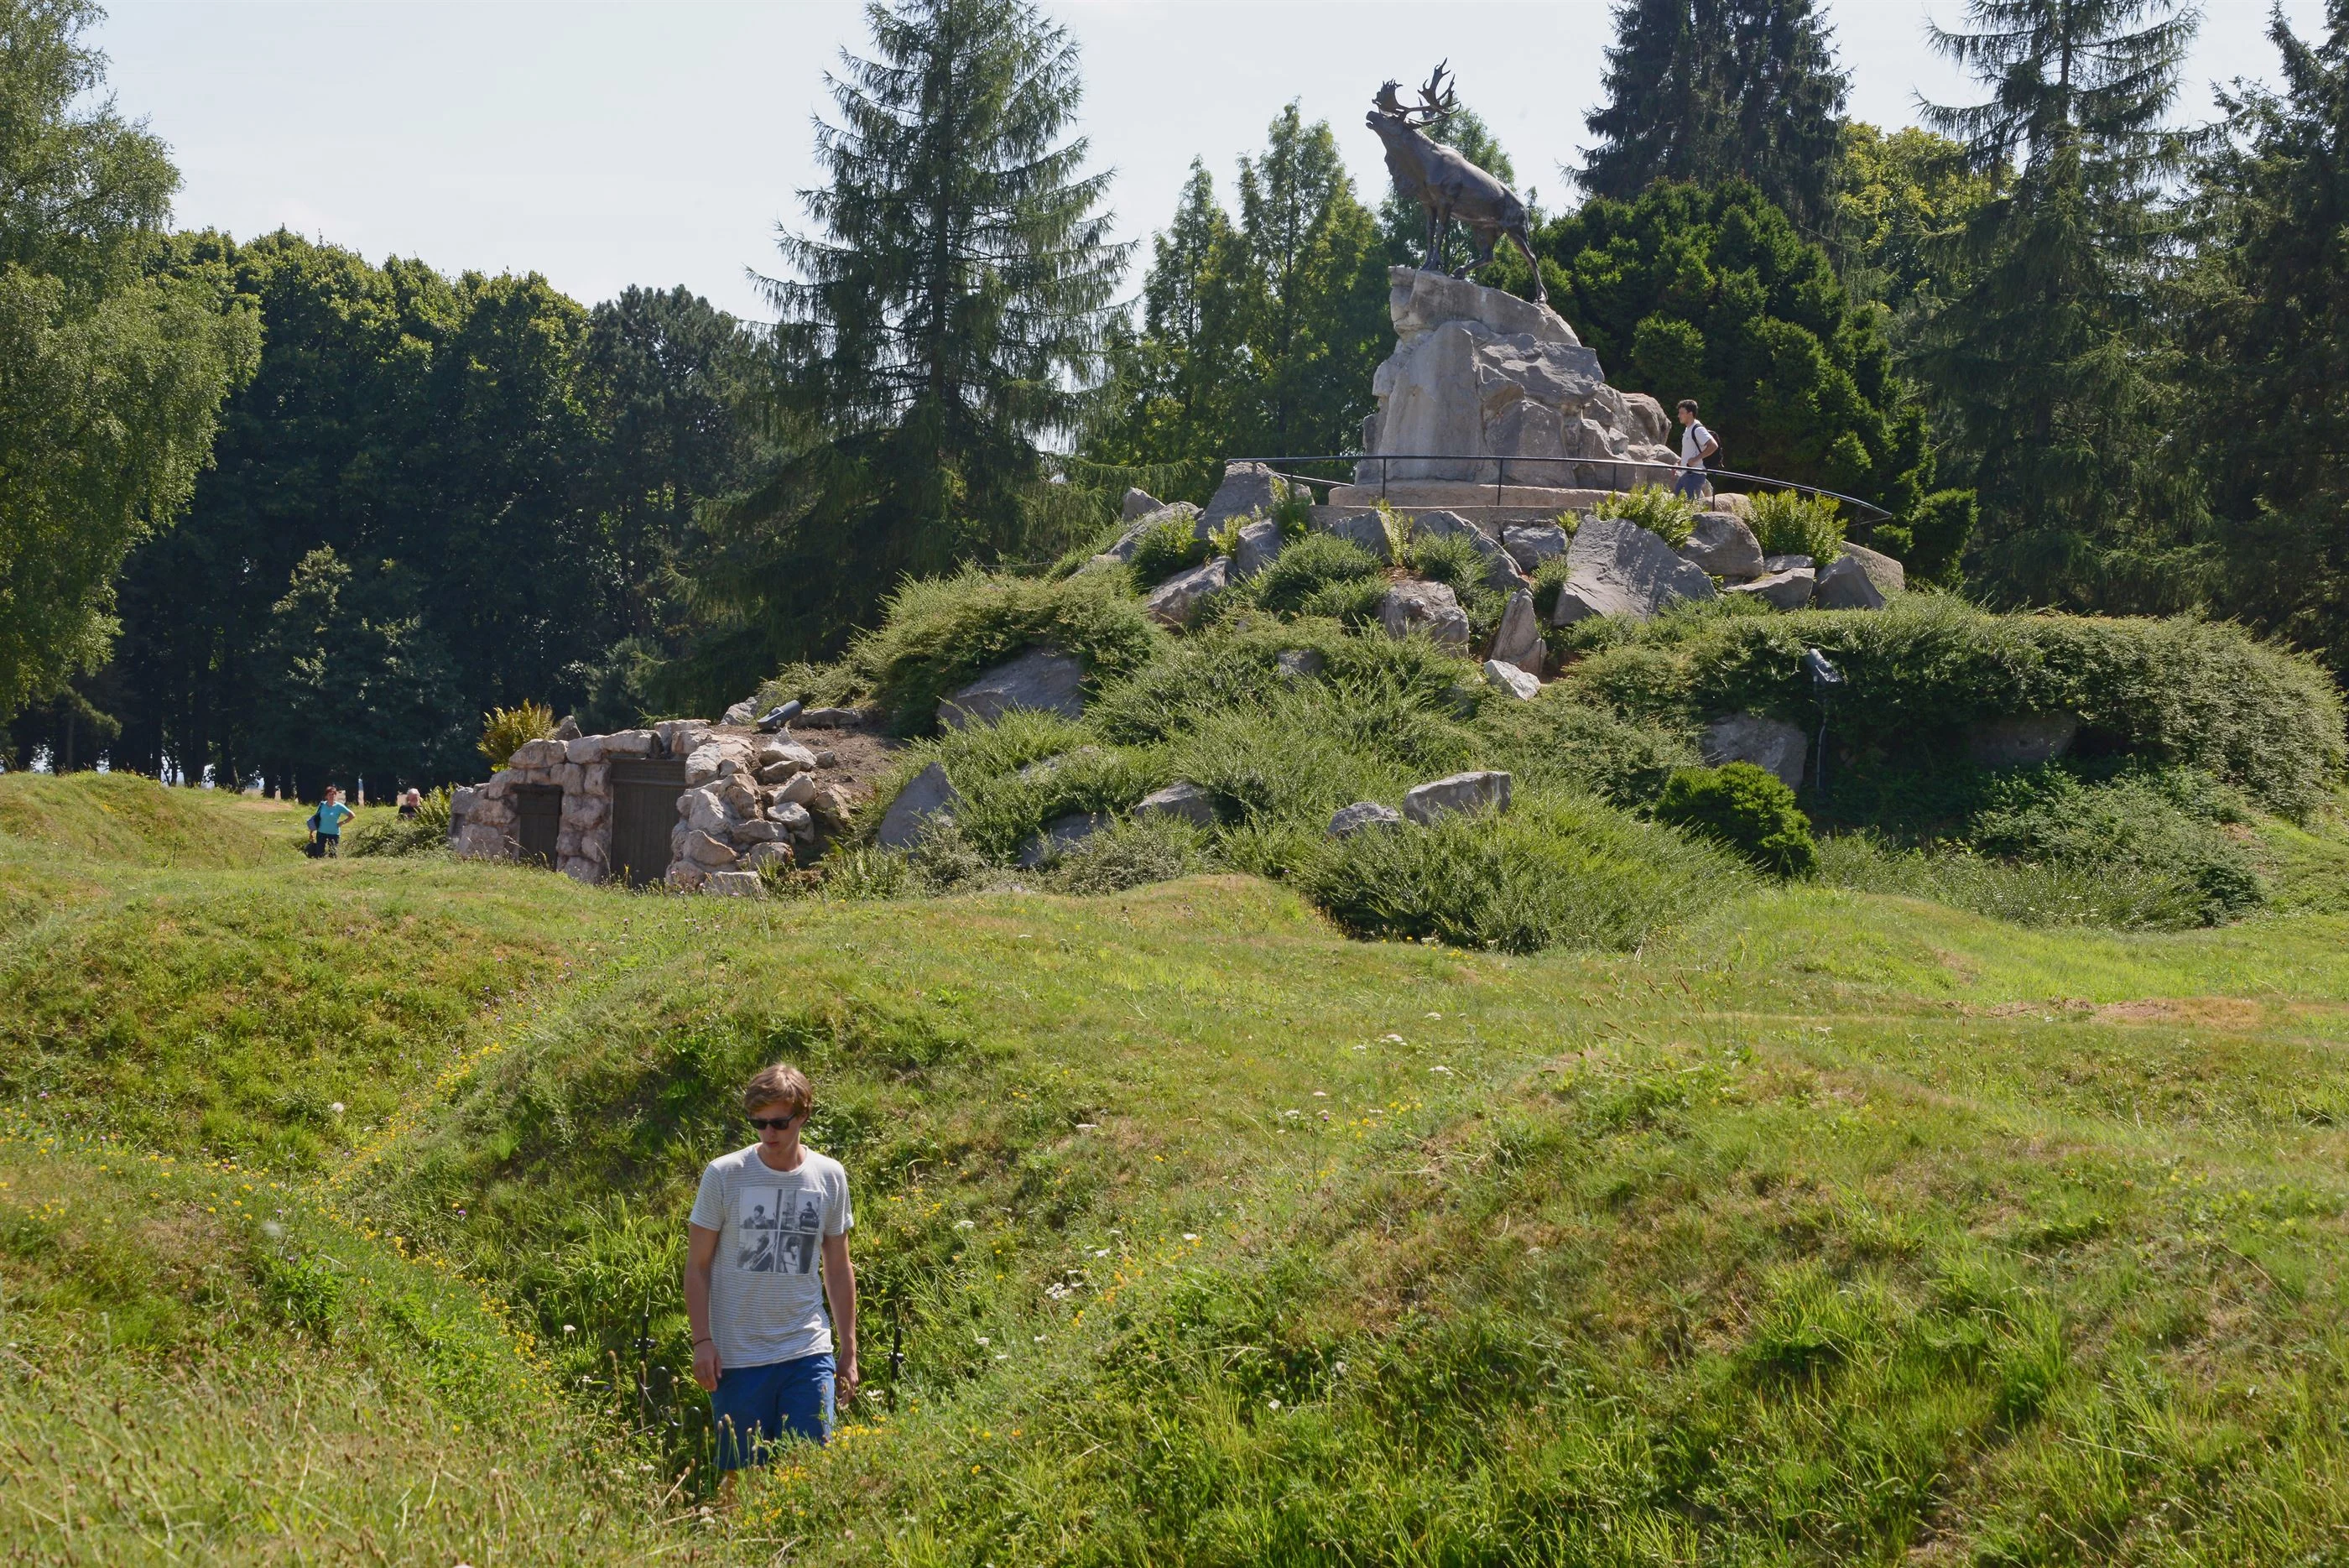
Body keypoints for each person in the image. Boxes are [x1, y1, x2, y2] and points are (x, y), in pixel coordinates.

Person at [686, 1064, 857, 1498]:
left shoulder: (829, 1176)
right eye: (758, 1123)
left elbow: (837, 1267)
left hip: (806, 1349)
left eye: (779, 1122)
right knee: (741, 1485)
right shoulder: (724, 1174)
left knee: (811, 1476)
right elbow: (698, 1265)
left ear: (803, 1115)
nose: (768, 1132)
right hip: (738, 1357)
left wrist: (849, 1350)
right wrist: (702, 1341)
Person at [1674, 399, 1719, 501]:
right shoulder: (1688, 429)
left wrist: (1695, 460)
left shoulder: (1698, 429)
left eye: (1682, 413)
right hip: (1687, 474)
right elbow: (1692, 450)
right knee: (1677, 501)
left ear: (1690, 414)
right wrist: (1681, 462)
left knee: (1689, 506)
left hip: (1695, 475)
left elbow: (1713, 445)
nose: (1679, 416)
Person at [311, 786, 353, 857]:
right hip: (321, 832)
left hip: (334, 833)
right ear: (326, 796)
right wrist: (311, 832)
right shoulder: (322, 805)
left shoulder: (339, 806)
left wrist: (343, 822)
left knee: (333, 855)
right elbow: (316, 818)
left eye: (333, 794)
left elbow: (352, 815)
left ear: (335, 795)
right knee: (319, 855)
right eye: (329, 794)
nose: (331, 796)